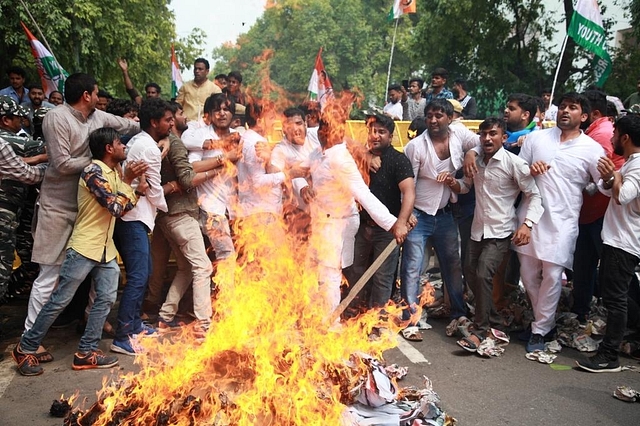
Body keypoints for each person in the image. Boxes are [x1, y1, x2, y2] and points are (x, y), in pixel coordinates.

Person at [11, 127, 147, 376]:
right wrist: (129, 184)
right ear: (109, 148)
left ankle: (86, 352)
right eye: (120, 143)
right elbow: (115, 207)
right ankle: (26, 347)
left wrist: (136, 190)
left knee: (106, 299)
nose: (123, 147)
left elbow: (123, 208)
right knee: (59, 300)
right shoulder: (92, 171)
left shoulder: (113, 174)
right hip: (84, 247)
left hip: (105, 250)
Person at [27, 73, 139, 340]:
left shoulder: (100, 118)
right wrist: (100, 160)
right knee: (50, 275)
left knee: (102, 276)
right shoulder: (56, 117)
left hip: (90, 212)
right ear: (86, 95)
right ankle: (30, 337)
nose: (100, 98)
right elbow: (62, 163)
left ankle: (92, 324)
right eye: (97, 92)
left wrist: (161, 136)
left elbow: (133, 127)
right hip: (58, 206)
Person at [293, 103, 407, 315]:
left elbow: (364, 195)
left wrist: (393, 224)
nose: (323, 132)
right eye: (321, 128)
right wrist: (302, 186)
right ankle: (314, 316)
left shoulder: (341, 159)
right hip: (321, 221)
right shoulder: (318, 153)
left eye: (330, 128)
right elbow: (298, 171)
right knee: (312, 270)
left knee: (330, 273)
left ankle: (331, 324)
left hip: (339, 222)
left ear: (340, 131)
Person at [513, 92, 603, 352]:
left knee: (552, 275)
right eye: (562, 106)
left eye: (572, 108)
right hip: (530, 217)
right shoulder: (536, 138)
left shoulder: (592, 149)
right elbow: (517, 171)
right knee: (529, 275)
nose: (565, 111)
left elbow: (602, 186)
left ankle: (540, 330)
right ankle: (544, 323)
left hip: (564, 220)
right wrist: (529, 170)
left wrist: (600, 184)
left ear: (583, 116)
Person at [449, 118, 543, 351]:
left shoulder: (515, 164)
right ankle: (495, 320)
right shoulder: (477, 160)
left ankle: (480, 331)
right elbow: (466, 187)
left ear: (504, 137)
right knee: (471, 275)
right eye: (484, 135)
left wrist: (527, 225)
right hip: (477, 230)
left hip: (501, 231)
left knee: (482, 275)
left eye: (493, 134)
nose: (488, 138)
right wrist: (453, 183)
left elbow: (534, 195)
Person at [400, 99, 479, 340]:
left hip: (445, 215)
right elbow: (407, 185)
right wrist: (407, 216)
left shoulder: (459, 135)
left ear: (450, 118)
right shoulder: (416, 147)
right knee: (413, 268)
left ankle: (458, 313)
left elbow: (481, 145)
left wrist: (470, 155)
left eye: (439, 116)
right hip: (419, 216)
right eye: (430, 116)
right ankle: (409, 319)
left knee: (452, 266)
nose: (434, 120)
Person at [576, 114, 640, 372]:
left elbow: (623, 195)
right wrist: (608, 177)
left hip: (624, 241)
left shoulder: (636, 166)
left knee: (615, 299)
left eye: (614, 135)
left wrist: (613, 175)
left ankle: (609, 354)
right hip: (617, 239)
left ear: (624, 137)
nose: (611, 139)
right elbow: (608, 189)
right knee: (617, 295)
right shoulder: (629, 163)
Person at [154, 101, 220, 338]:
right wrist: (218, 168)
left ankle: (165, 316)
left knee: (185, 268)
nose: (184, 118)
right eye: (179, 114)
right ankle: (203, 325)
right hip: (181, 216)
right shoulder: (175, 144)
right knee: (202, 267)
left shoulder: (164, 143)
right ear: (169, 121)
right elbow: (186, 179)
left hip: (167, 217)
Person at [110, 98, 170, 355]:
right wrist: (167, 204)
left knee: (141, 274)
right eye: (168, 119)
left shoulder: (139, 141)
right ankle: (123, 336)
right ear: (155, 122)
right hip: (133, 218)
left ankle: (134, 325)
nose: (170, 123)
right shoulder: (149, 148)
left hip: (133, 218)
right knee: (137, 277)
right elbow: (154, 189)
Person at [345, 113, 415, 316]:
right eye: (372, 131)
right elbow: (340, 139)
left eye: (381, 132)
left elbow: (409, 192)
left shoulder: (398, 160)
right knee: (355, 272)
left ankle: (378, 321)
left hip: (387, 230)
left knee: (382, 278)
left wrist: (401, 222)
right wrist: (364, 155)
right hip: (361, 226)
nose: (376, 136)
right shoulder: (359, 157)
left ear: (391, 136)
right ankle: (353, 317)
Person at [571, 90, 625, 324]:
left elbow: (599, 176)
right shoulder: (598, 131)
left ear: (591, 113)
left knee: (611, 273)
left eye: (578, 109)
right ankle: (581, 312)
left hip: (601, 212)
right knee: (584, 265)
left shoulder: (600, 135)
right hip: (593, 212)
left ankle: (618, 321)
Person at [183, 93, 242, 290]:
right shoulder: (201, 136)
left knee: (219, 259)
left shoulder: (238, 136)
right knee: (226, 255)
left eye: (226, 109)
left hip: (231, 209)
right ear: (209, 114)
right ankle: (227, 307)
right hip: (209, 208)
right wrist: (223, 159)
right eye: (217, 110)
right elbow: (192, 169)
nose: (222, 113)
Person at [0, 96, 47, 303]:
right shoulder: (13, 143)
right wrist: (44, 163)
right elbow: (28, 175)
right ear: (6, 120)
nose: (22, 122)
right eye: (18, 118)